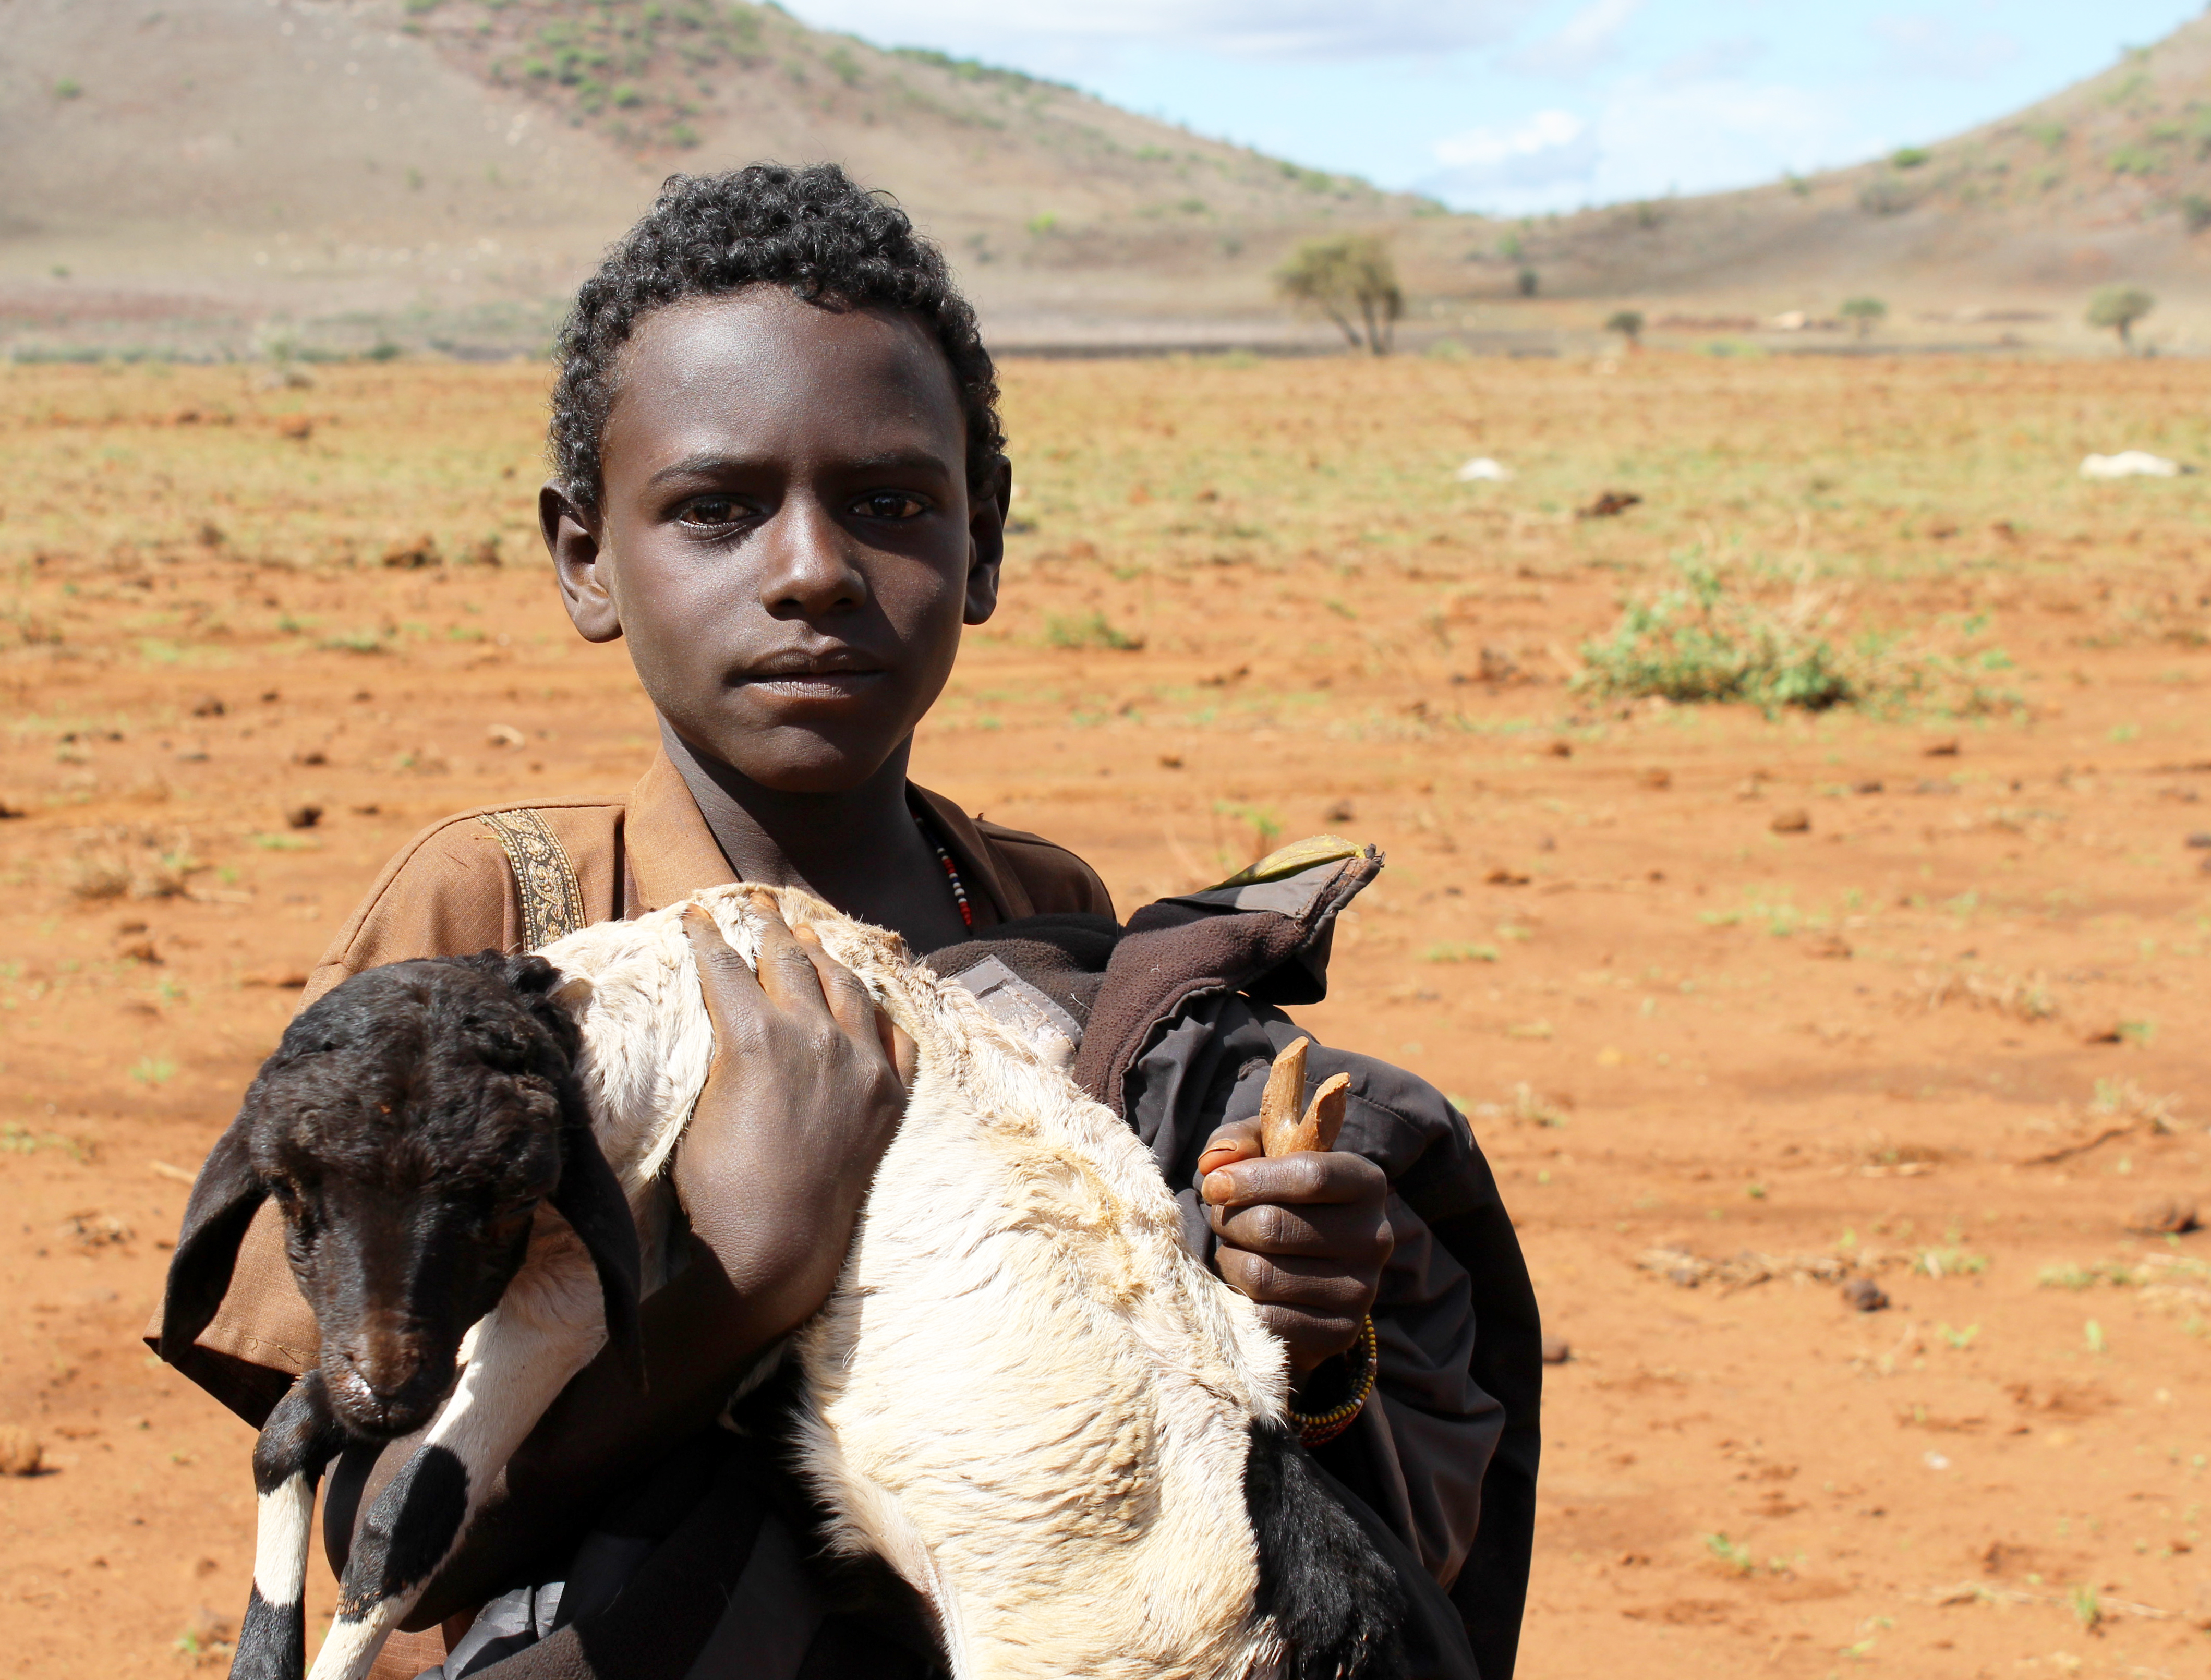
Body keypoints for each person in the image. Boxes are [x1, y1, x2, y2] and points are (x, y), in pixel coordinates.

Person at [151, 162, 1533, 1680]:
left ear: (983, 542)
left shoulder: (1045, 923)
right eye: (716, 509)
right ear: (585, 557)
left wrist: (1303, 1331)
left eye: (886, 503)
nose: (811, 571)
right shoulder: (497, 928)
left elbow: (1119, 1437)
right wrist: (750, 1266)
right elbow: (374, 1536)